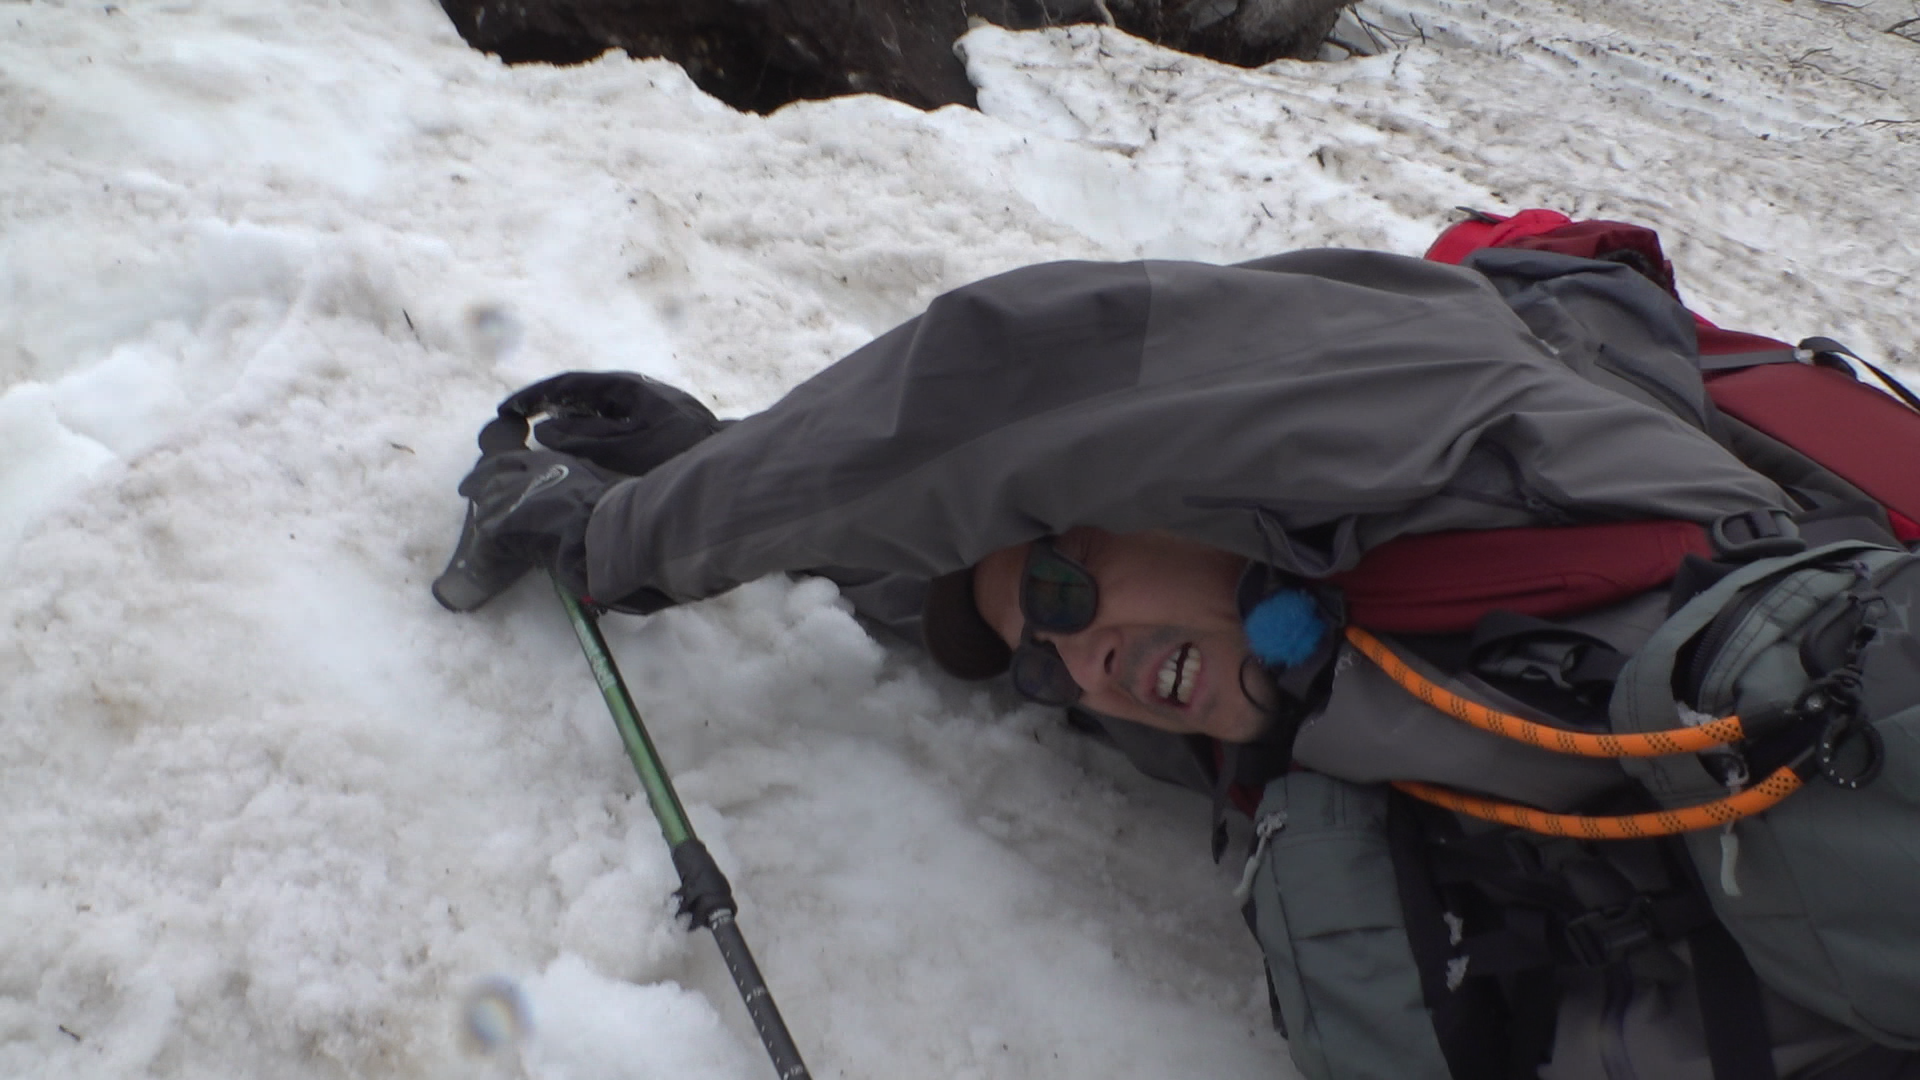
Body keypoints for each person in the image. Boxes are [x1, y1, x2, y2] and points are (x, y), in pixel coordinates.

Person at [440, 246, 1920, 1079]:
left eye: (1070, 582)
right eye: (1043, 661)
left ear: (1197, 491)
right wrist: (764, 493)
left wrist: (639, 533)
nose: (1079, 664)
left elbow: (1014, 382)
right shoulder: (1274, 679)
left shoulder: (1427, 401)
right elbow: (1011, 592)